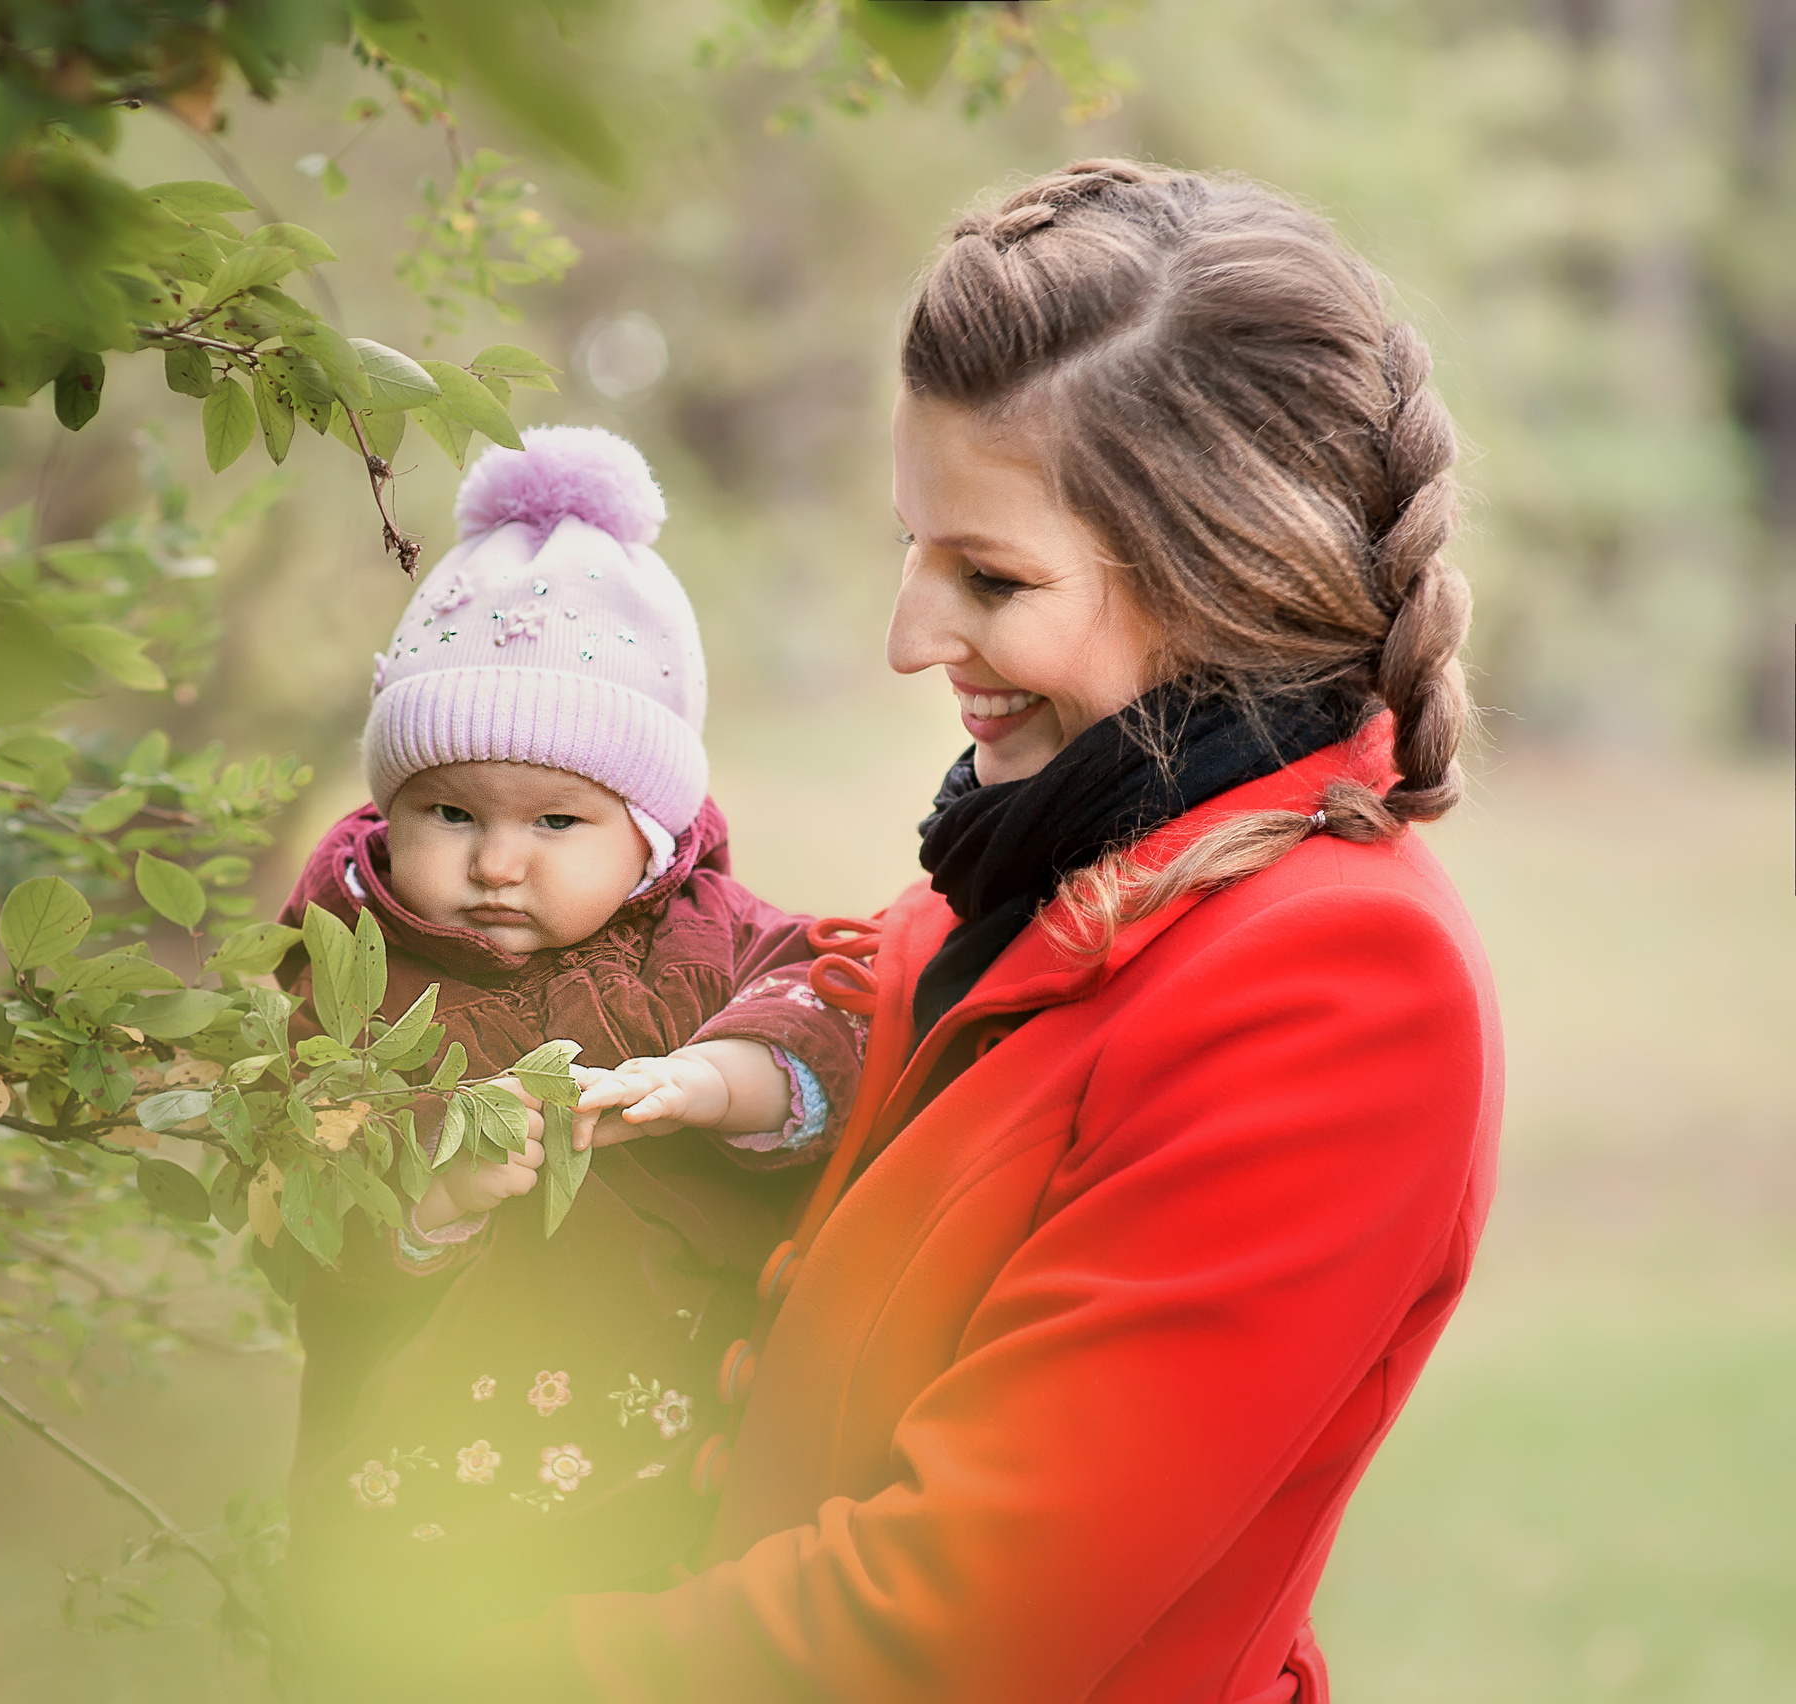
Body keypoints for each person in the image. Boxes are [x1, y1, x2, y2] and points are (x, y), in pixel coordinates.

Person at [441, 160, 1508, 1703]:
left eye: (991, 577)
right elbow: (836, 999)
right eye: (913, 549)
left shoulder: (1340, 982)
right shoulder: (1049, 854)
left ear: (1222, 582)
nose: (909, 641)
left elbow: (955, 1619)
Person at [272, 427, 868, 1686]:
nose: (498, 863)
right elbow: (302, 1221)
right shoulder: (352, 978)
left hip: (683, 1481)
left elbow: (827, 1016)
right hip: (427, 1502)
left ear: (647, 834)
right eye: (451, 814)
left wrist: (708, 1082)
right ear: (392, 809)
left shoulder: (705, 939)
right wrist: (429, 1198)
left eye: (557, 821)